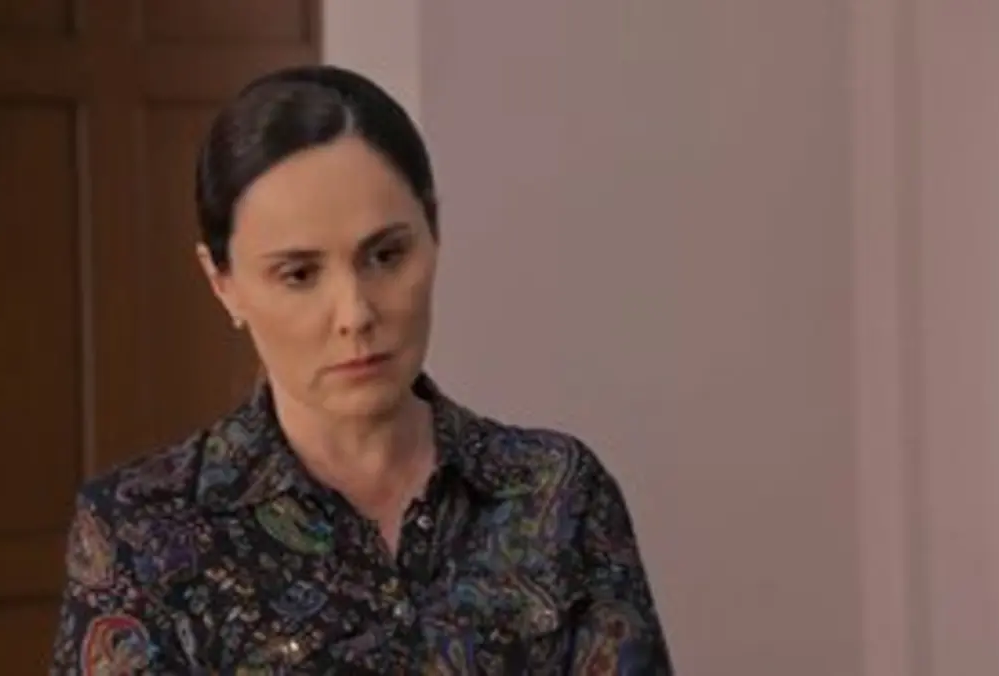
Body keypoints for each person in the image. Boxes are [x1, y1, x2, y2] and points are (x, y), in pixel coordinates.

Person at [49, 64, 674, 675]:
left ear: (434, 233)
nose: (355, 314)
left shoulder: (555, 492)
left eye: (386, 255)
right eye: (299, 274)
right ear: (223, 284)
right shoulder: (142, 532)